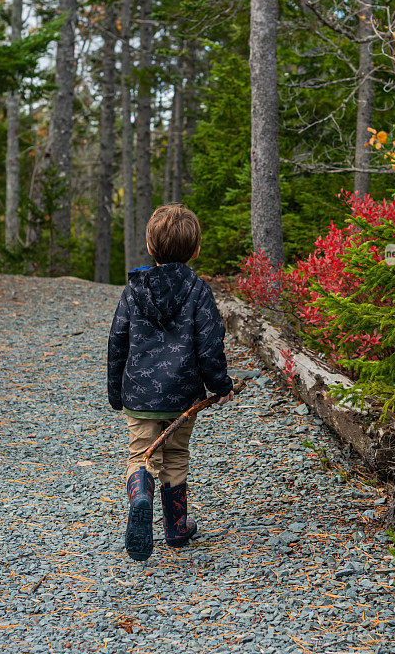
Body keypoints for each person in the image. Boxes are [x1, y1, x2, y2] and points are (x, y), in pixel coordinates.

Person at [107, 204, 234, 562]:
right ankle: (176, 527)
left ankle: (141, 496)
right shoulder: (198, 291)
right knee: (176, 454)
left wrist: (117, 392)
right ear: (195, 250)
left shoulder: (133, 290)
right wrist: (220, 384)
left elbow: (118, 341)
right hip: (183, 397)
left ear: (150, 247)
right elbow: (210, 343)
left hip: (139, 396)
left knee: (141, 455)